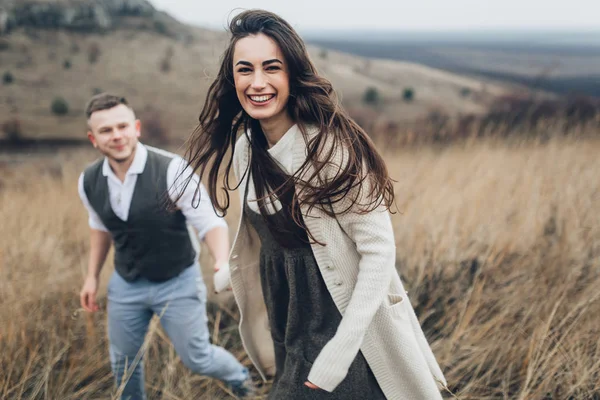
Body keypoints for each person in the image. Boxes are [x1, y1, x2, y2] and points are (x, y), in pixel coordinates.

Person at [180, 9, 448, 400]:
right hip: (288, 325)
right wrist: (233, 272)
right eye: (245, 69)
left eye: (271, 68)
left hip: (345, 329)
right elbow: (266, 235)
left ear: (292, 74)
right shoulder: (245, 149)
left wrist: (342, 348)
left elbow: (378, 251)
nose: (257, 83)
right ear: (232, 78)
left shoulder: (331, 150)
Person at [77, 93, 254, 400]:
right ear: (94, 138)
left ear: (136, 128)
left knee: (197, 358)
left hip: (177, 280)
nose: (116, 136)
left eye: (122, 126)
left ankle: (241, 379)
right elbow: (101, 227)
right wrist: (92, 276)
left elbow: (210, 222)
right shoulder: (88, 181)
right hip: (126, 283)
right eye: (106, 130)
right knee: (124, 365)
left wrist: (222, 261)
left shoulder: (173, 170)